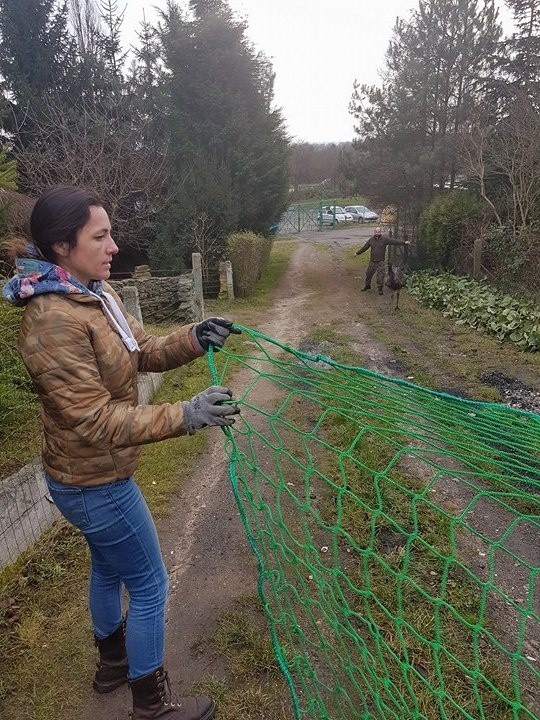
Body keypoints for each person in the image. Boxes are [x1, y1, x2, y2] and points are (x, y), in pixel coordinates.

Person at [1, 185, 242, 720]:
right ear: (62, 246)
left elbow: (143, 352)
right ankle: (151, 706)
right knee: (151, 583)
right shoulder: (53, 319)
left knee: (108, 570)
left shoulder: (91, 295)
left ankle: (112, 666)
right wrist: (186, 414)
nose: (114, 246)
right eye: (101, 236)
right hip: (94, 482)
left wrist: (194, 337)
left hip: (90, 477)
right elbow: (92, 419)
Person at [355, 226, 410, 295]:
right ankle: (367, 286)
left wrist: (404, 242)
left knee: (380, 276)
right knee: (368, 274)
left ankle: (380, 289)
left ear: (380, 232)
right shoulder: (371, 240)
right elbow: (364, 247)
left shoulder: (384, 239)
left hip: (380, 261)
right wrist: (357, 253)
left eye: (378, 232)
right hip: (372, 261)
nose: (377, 233)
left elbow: (394, 241)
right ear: (374, 232)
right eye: (376, 232)